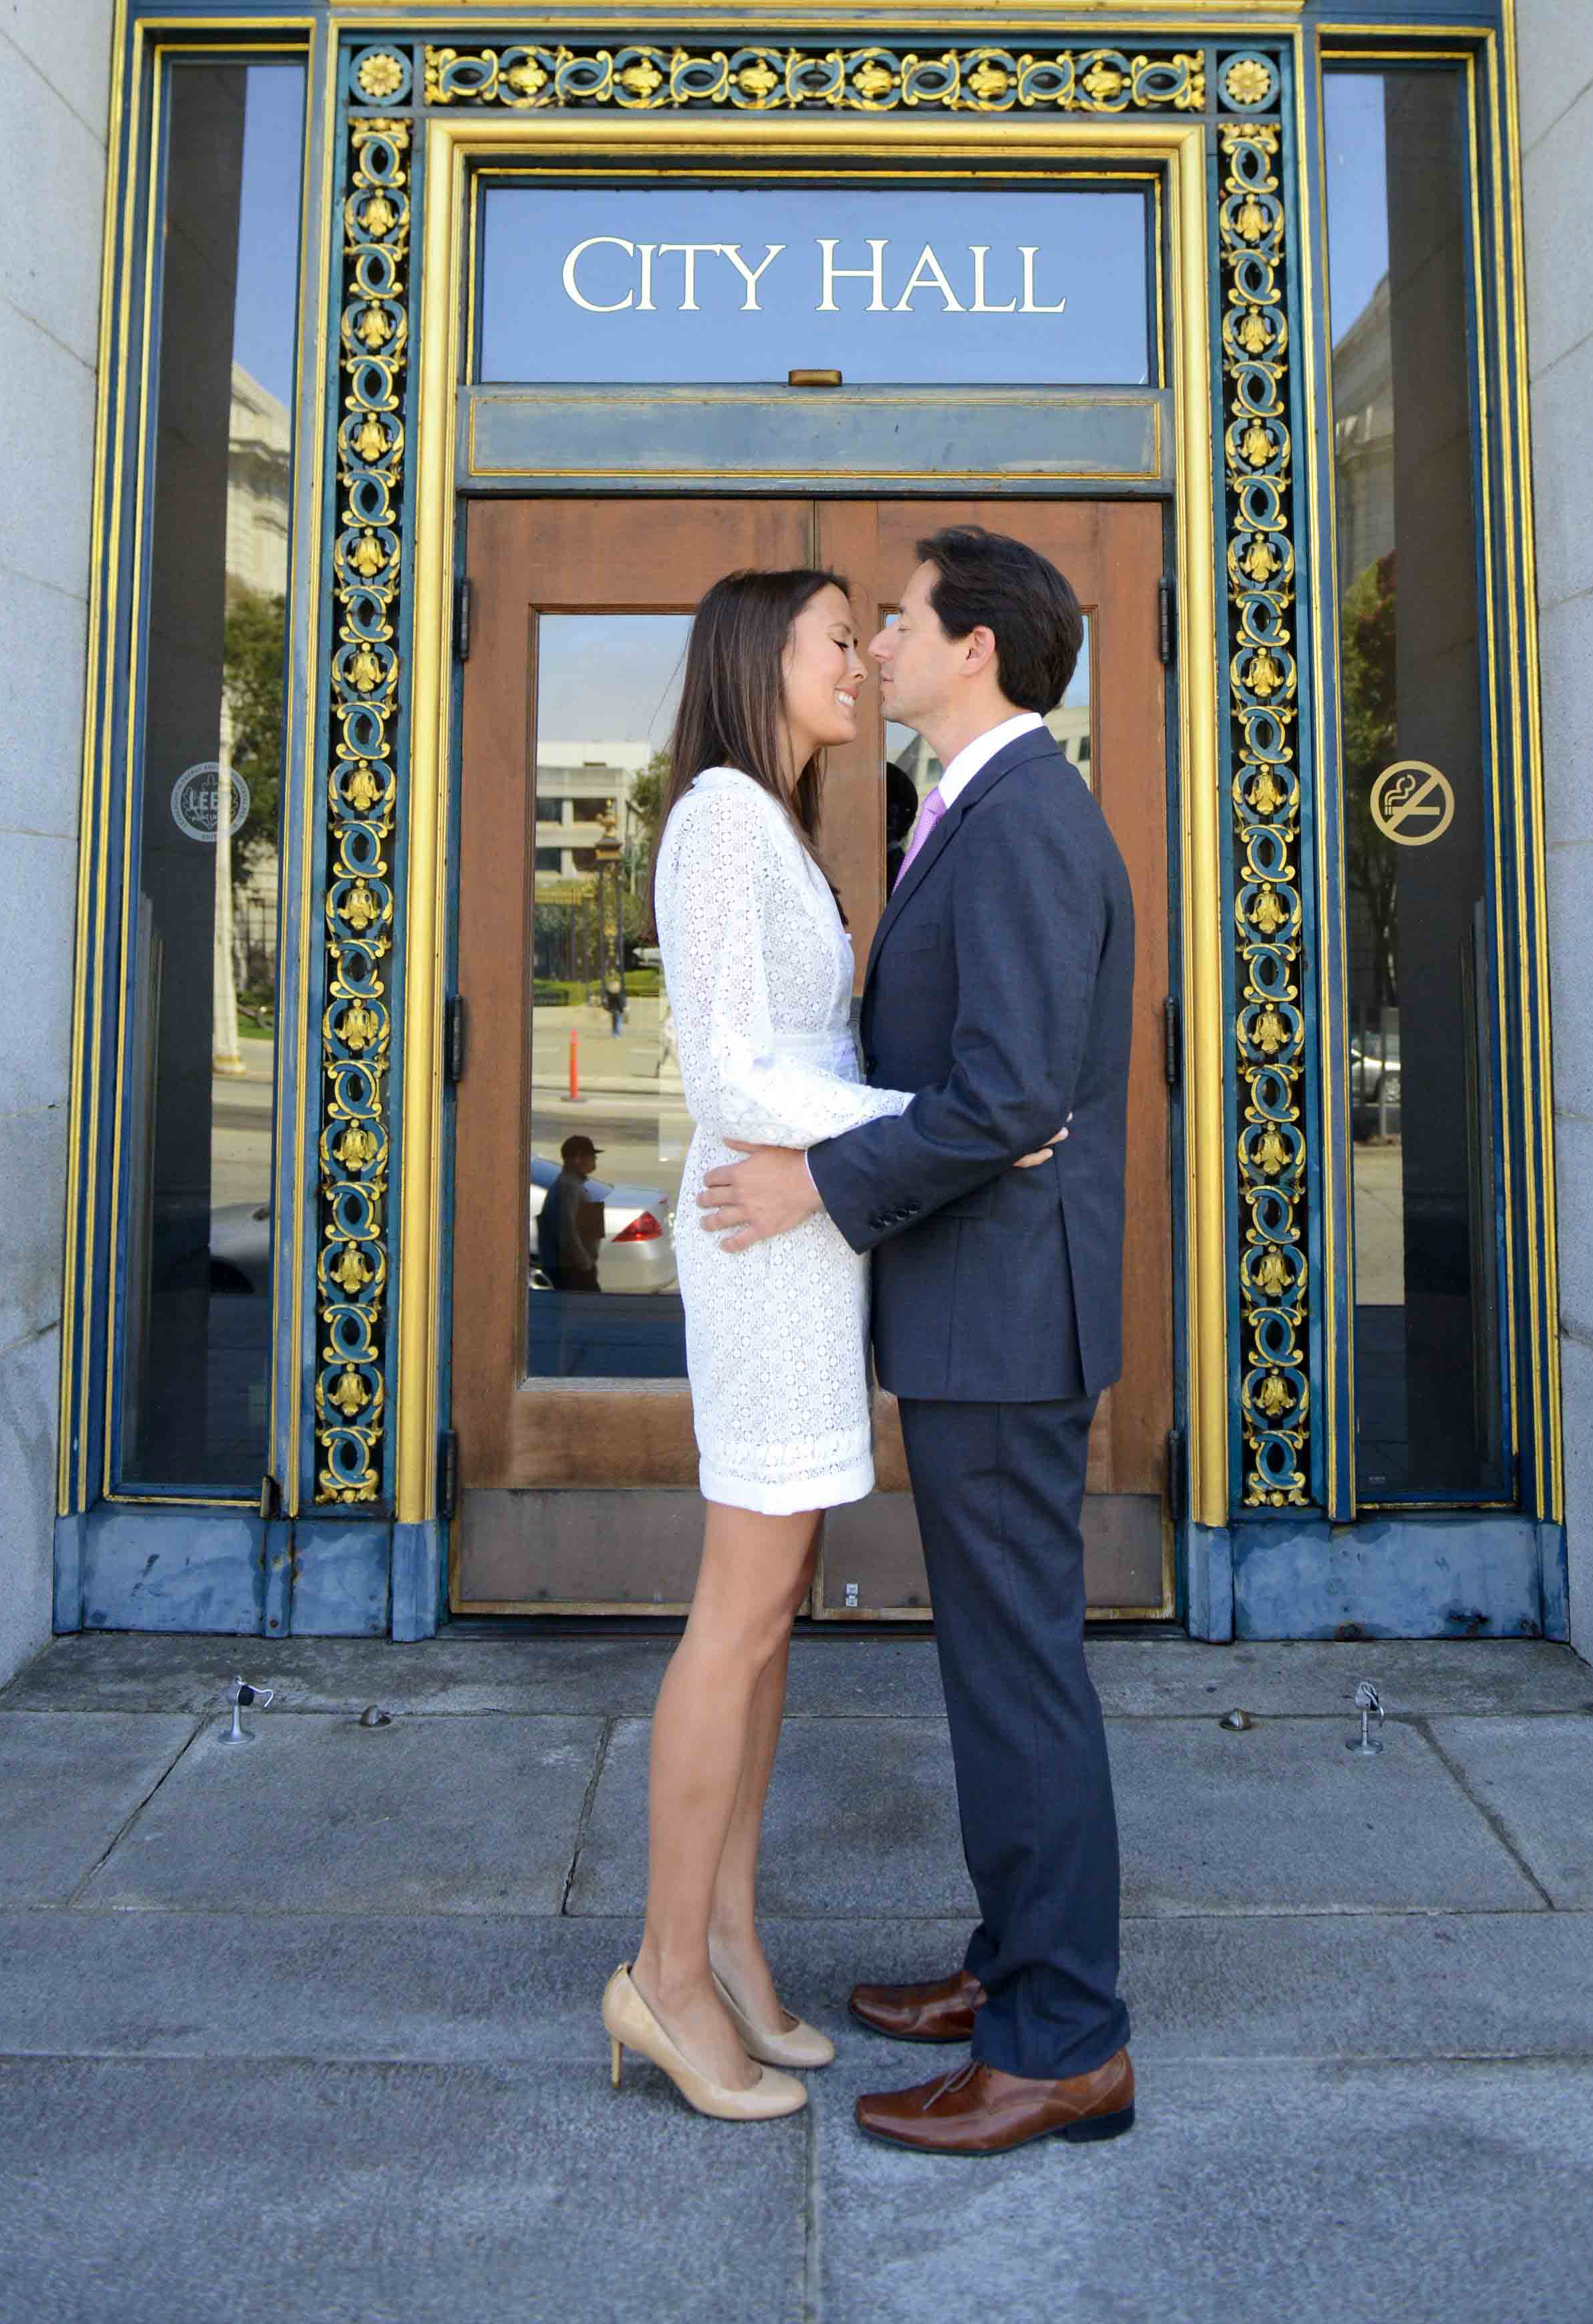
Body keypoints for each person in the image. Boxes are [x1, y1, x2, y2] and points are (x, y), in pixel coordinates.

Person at [601, 565, 1059, 2127]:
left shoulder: (776, 820)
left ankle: (729, 1943)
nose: (857, 658)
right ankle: (661, 1975)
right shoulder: (721, 813)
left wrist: (884, 1142)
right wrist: (933, 1133)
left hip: (807, 1242)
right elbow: (732, 1075)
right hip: (761, 1235)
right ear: (753, 655)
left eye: (871, 632)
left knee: (771, 1606)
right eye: (827, 635)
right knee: (732, 1616)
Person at [698, 526, 1136, 2157]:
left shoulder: (1018, 816)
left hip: (1005, 1323)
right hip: (980, 1307)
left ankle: (1060, 2042)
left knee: (1015, 1677)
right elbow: (982, 1092)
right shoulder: (974, 805)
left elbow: (1013, 1094)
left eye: (898, 621)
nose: (876, 642)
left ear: (979, 651)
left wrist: (818, 1174)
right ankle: (1011, 1969)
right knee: (996, 1668)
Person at [534, 1134, 605, 1292]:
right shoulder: (569, 1186)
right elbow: (568, 1230)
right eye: (591, 1156)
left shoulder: (571, 1184)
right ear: (578, 1158)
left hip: (574, 1269)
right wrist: (584, 1265)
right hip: (573, 1272)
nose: (595, 1160)